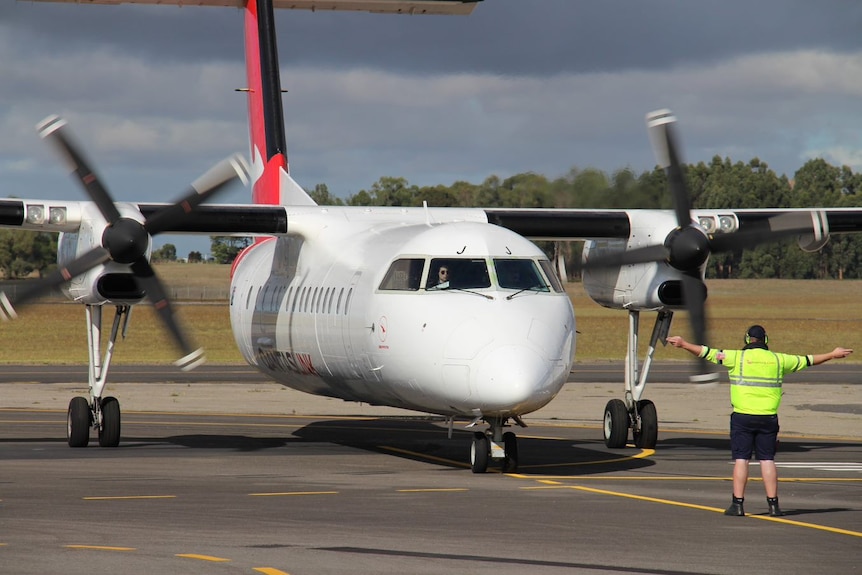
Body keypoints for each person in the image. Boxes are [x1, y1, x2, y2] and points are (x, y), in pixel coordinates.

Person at [666, 325, 853, 517]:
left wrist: (683, 344)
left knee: (741, 459)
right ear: (766, 340)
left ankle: (737, 504)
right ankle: (774, 506)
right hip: (768, 418)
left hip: (742, 417)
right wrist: (832, 354)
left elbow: (707, 352)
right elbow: (808, 360)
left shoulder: (735, 358)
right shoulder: (780, 360)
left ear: (747, 340)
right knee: (767, 460)